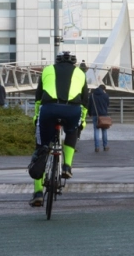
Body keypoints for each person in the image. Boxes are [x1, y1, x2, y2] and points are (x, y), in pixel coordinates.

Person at [27, 51, 88, 207]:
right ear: (73, 63)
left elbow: (38, 99)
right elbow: (85, 102)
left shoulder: (47, 70)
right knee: (72, 130)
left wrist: (36, 119)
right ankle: (67, 165)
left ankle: (38, 192)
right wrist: (81, 122)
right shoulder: (80, 73)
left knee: (41, 147)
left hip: (49, 109)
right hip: (72, 110)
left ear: (57, 61)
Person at [88, 84, 110, 152]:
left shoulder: (92, 95)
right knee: (104, 131)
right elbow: (108, 104)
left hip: (95, 115)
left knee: (96, 130)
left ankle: (97, 147)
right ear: (104, 89)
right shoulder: (105, 95)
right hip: (103, 115)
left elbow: (89, 105)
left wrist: (89, 113)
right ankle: (105, 146)